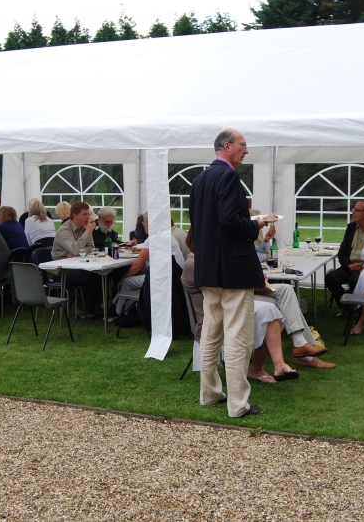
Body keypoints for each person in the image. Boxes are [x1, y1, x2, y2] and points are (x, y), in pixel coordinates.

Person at [188, 128, 268, 418]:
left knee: (210, 333)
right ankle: (238, 404)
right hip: (233, 269)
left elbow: (197, 224)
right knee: (238, 336)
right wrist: (255, 225)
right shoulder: (229, 176)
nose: (246, 150)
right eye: (243, 145)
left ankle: (209, 394)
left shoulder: (199, 180)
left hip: (208, 267)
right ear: (226, 146)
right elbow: (232, 221)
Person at [182, 228, 299, 383]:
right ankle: (265, 366)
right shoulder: (193, 265)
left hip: (228, 308)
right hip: (215, 317)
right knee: (268, 310)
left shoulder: (204, 261)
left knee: (271, 310)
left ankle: (276, 364)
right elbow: (224, 289)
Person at [114, 212, 185, 316]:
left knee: (126, 282)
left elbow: (137, 265)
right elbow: (146, 266)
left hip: (162, 281)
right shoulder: (168, 237)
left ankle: (119, 312)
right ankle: (121, 306)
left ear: (148, 224)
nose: (143, 226)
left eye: (144, 223)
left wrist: (123, 277)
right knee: (134, 278)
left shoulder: (152, 239)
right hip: (175, 278)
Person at [52, 201, 101, 317]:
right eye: (85, 214)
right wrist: (87, 233)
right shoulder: (65, 230)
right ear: (74, 215)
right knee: (88, 276)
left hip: (76, 263)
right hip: (61, 267)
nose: (88, 217)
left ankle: (95, 306)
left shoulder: (84, 228)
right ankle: (82, 309)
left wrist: (78, 252)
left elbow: (91, 248)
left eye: (88, 214)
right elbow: (74, 249)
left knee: (98, 273)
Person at [325, 200, 364, 315]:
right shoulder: (351, 228)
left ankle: (356, 308)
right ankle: (348, 306)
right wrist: (348, 265)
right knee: (331, 278)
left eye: (356, 210)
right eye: (353, 209)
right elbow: (342, 252)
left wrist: (363, 265)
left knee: (355, 281)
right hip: (350, 265)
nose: (353, 212)